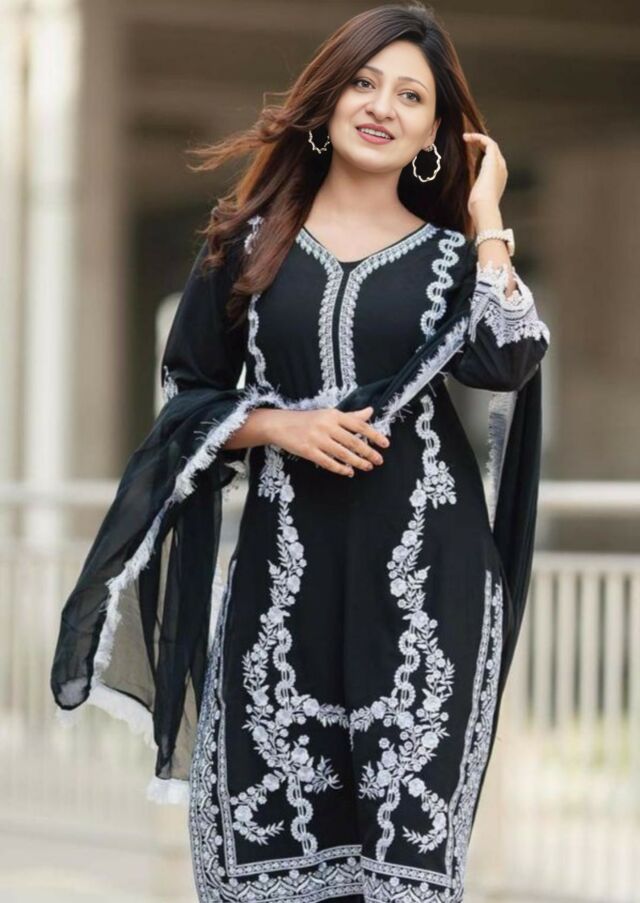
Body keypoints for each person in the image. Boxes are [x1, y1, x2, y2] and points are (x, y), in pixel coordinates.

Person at [50, 4, 551, 900]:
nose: (382, 106)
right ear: (327, 100)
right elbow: (186, 398)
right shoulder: (245, 243)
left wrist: (488, 218)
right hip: (282, 598)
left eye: (411, 96)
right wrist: (280, 425)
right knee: (261, 859)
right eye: (364, 82)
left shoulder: (454, 259)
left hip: (427, 603)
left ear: (435, 134)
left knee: (400, 871)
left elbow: (507, 359)